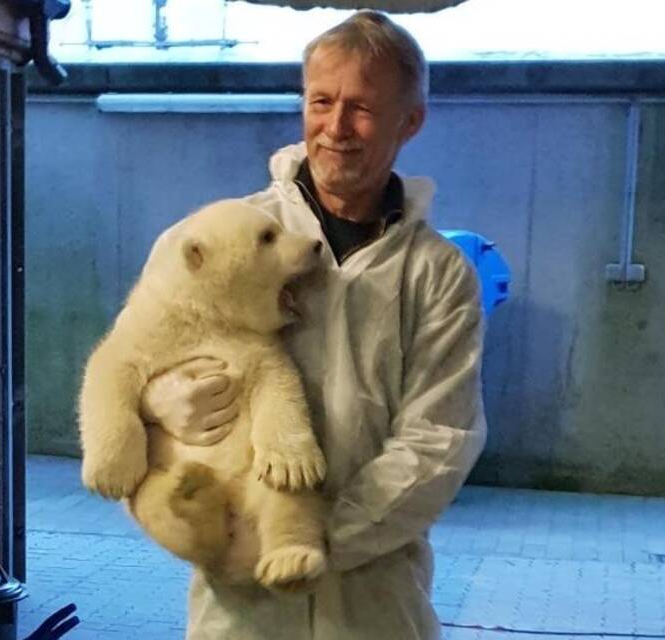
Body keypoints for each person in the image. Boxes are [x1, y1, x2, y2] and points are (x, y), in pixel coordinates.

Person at [140, 10, 486, 639]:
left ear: (411, 121)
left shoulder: (436, 273)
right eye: (321, 101)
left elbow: (440, 439)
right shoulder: (218, 238)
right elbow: (134, 359)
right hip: (237, 603)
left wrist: (307, 540)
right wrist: (157, 403)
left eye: (362, 108)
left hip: (375, 601)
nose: (336, 128)